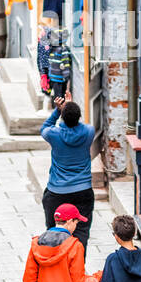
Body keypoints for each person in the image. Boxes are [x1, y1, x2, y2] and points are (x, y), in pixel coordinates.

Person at [40, 95, 96, 253]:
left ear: (63, 118)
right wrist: (70, 107)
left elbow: (44, 127)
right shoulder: (88, 132)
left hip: (57, 191)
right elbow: (81, 125)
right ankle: (77, 266)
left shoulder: (54, 135)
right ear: (79, 117)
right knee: (81, 232)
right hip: (83, 190)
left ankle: (56, 264)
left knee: (53, 230)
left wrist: (58, 111)